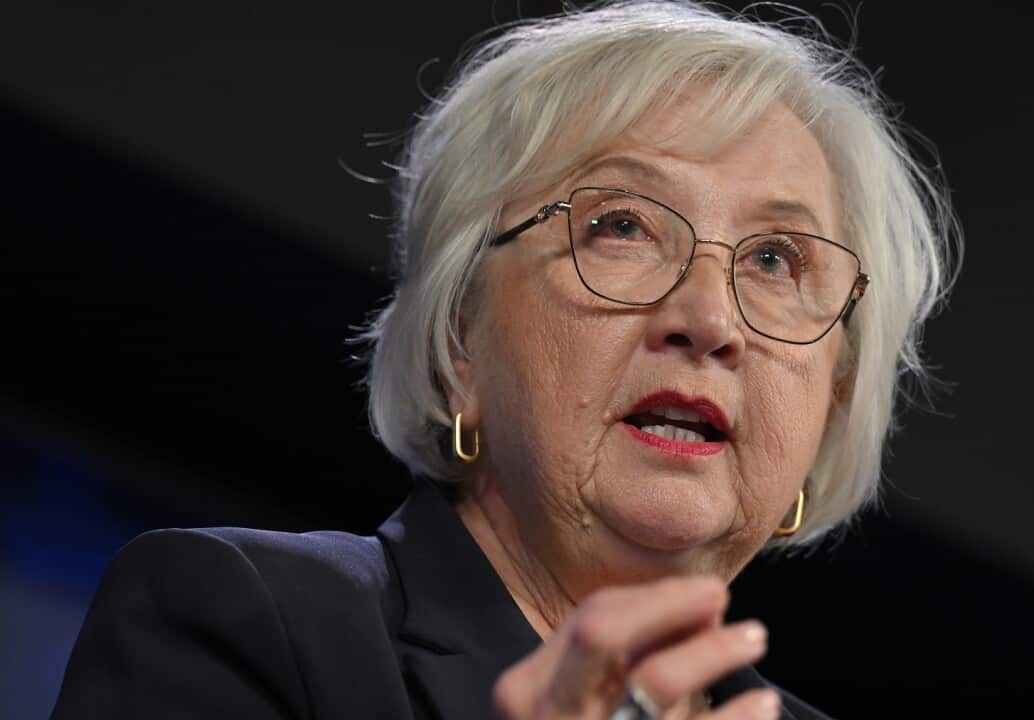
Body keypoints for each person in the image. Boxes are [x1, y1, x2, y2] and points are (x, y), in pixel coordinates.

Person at [51, 1, 956, 718]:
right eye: (621, 227)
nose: (711, 319)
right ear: (458, 342)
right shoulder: (242, 623)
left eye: (775, 260)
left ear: (836, 397)